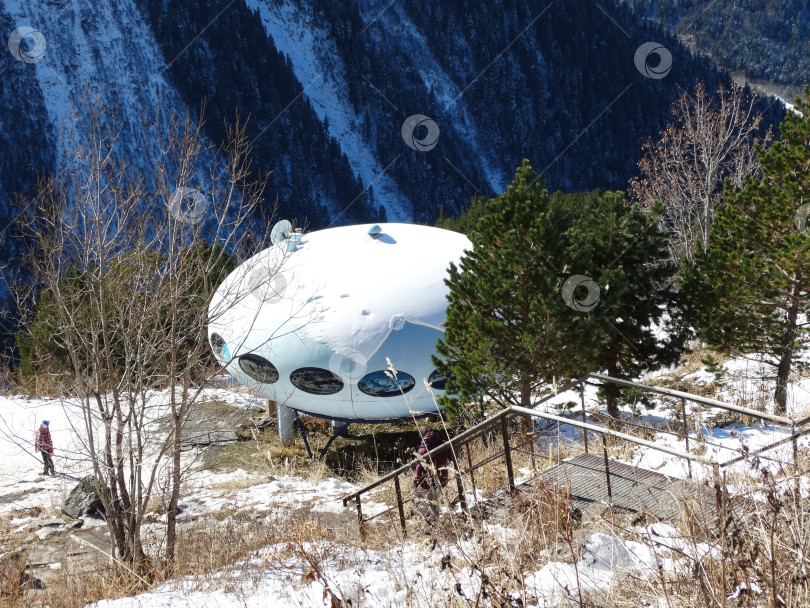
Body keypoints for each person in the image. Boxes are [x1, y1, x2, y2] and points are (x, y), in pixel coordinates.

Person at [412, 430, 450, 525]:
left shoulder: (423, 450)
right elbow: (452, 457)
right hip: (442, 478)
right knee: (434, 499)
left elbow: (419, 468)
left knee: (415, 495)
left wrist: (415, 482)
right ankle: (435, 520)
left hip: (427, 481)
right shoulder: (444, 445)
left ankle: (428, 516)